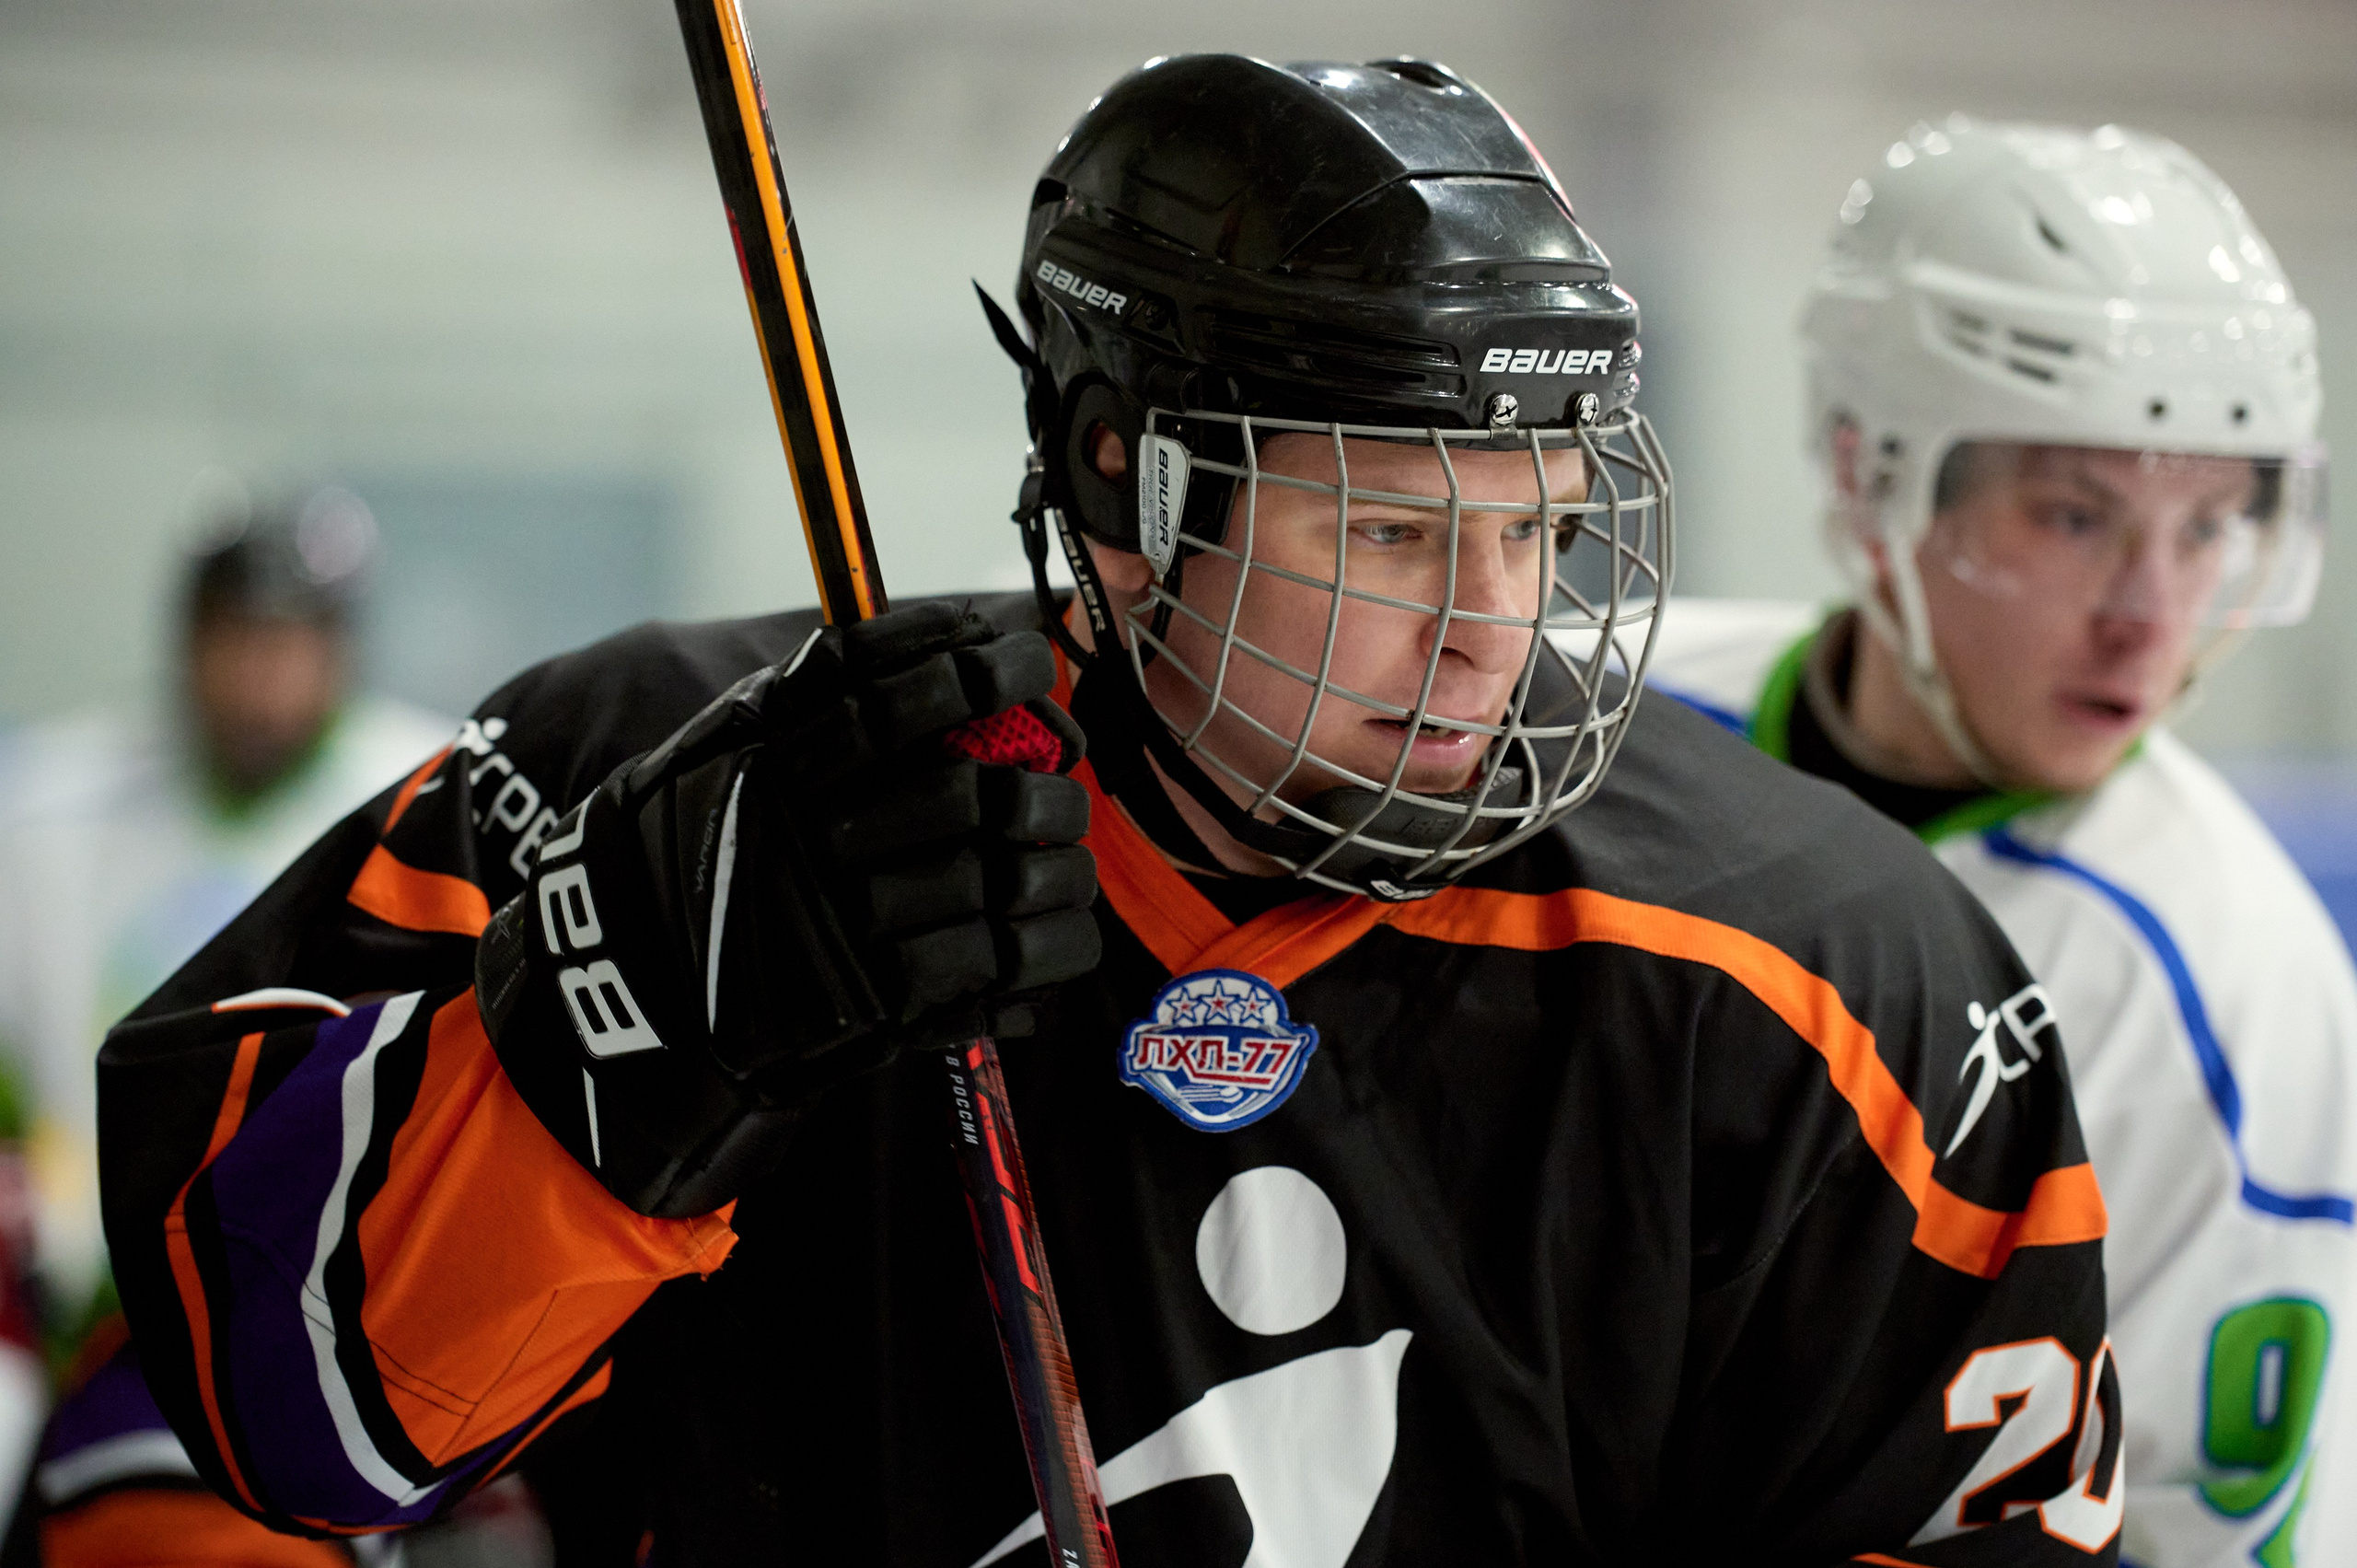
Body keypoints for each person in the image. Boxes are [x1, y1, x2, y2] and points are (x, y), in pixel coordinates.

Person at [97, 59, 2119, 1563]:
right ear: (1122, 486)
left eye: (1537, 527)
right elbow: (270, 1410)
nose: (1488, 628)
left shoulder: (1817, 963)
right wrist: (628, 1030)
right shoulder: (665, 774)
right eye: (1396, 531)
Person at [1646, 118, 2352, 1564]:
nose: (2152, 612)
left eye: (2212, 528)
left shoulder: (2237, 993)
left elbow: (2188, 1531)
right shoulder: (1586, 719)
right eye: (2077, 515)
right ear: (1870, 474)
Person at [0, 485, 451, 1551]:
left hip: (349, 1334)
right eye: (237, 638)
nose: (261, 675)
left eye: (289, 641)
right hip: (99, 1320)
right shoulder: (53, 810)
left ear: (338, 649)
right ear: (190, 642)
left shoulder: (426, 799)